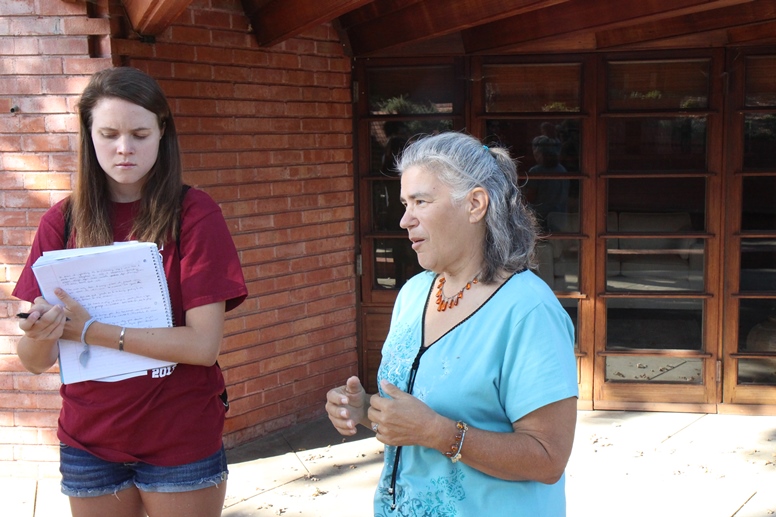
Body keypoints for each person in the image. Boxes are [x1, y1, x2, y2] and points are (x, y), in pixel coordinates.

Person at [13, 67, 248, 517]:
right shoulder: (61, 223)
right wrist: (42, 332)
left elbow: (202, 345)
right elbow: (35, 361)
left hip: (179, 433)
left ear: (163, 132)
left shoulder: (194, 214)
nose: (125, 148)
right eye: (109, 134)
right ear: (89, 136)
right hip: (89, 440)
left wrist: (89, 330)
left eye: (140, 133)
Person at [325, 131, 578, 516]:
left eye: (421, 202)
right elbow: (418, 412)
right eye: (405, 203)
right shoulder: (413, 294)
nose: (404, 220)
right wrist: (366, 410)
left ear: (475, 204)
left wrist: (438, 433)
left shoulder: (528, 310)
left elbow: (548, 457)